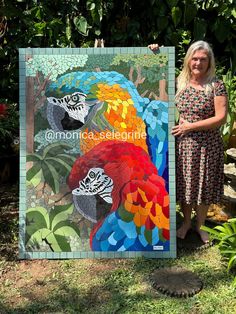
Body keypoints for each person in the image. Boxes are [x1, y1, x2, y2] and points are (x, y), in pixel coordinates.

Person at [149, 41, 228, 243]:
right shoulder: (178, 82)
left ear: (209, 62)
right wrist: (155, 55)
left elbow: (221, 118)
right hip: (183, 145)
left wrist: (189, 126)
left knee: (203, 185)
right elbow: (154, 81)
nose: (198, 63)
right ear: (188, 60)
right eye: (195, 58)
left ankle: (199, 226)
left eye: (203, 59)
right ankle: (185, 223)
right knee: (185, 185)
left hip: (207, 145)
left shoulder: (216, 85)